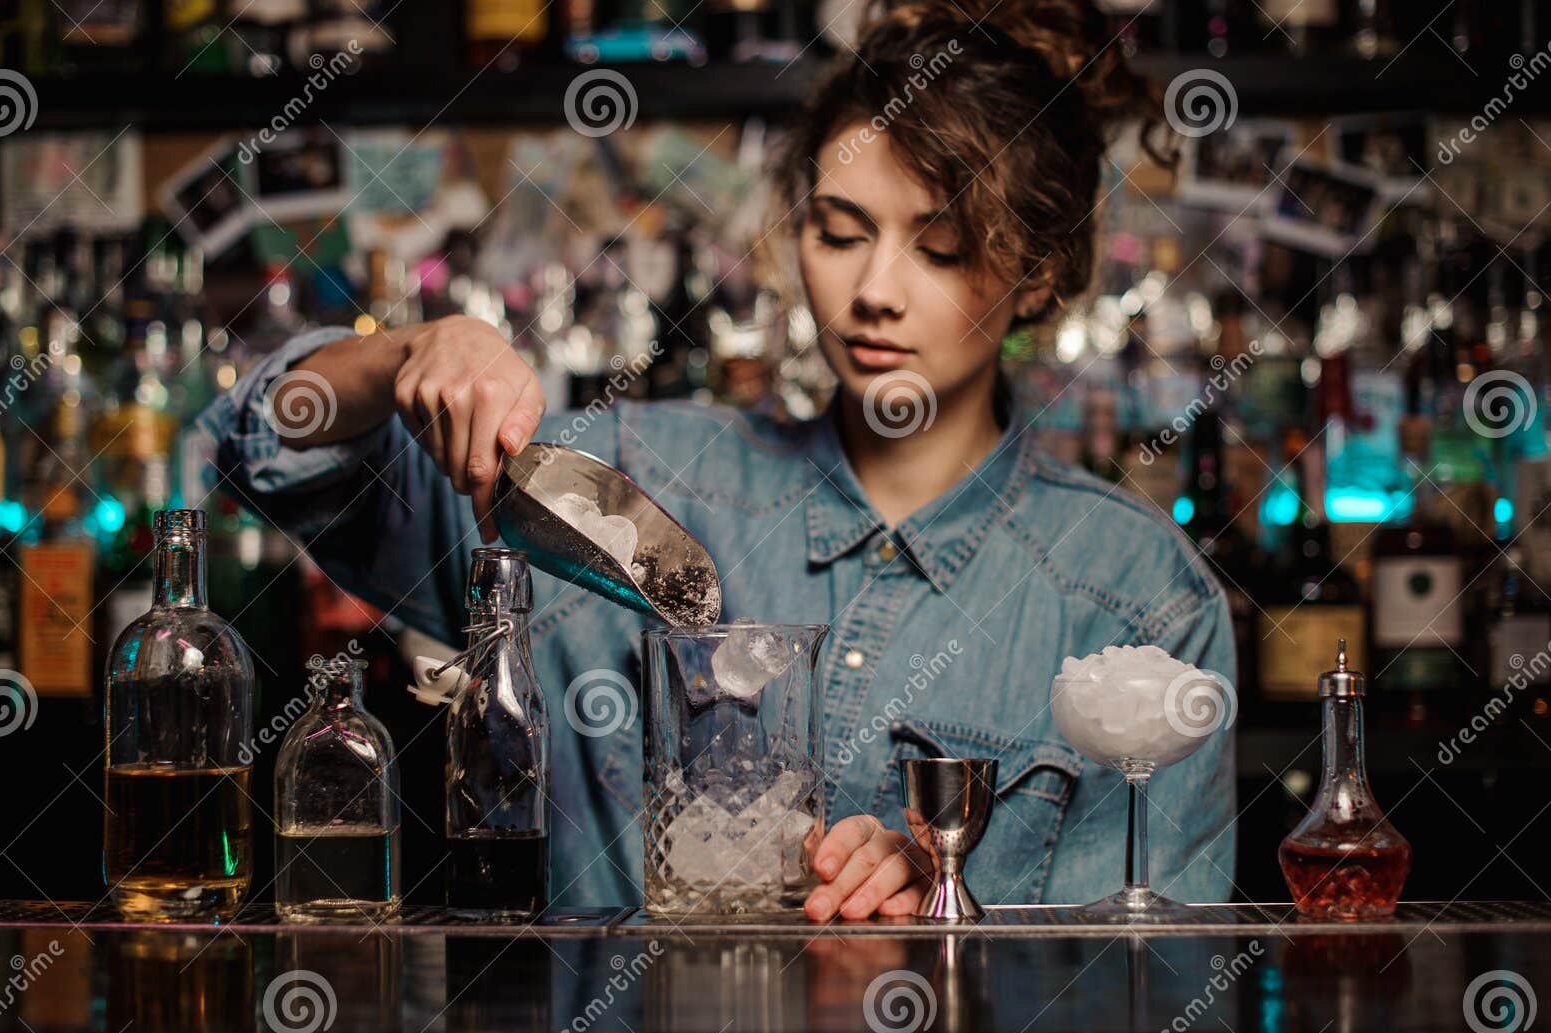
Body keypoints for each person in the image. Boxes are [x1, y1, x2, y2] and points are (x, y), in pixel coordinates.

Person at [196, 0, 1236, 921]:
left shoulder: (1138, 599)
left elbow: (1148, 993)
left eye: (941, 246)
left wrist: (949, 910)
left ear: (1042, 273)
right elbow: (265, 446)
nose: (875, 290)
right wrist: (405, 356)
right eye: (839, 232)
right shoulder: (617, 474)